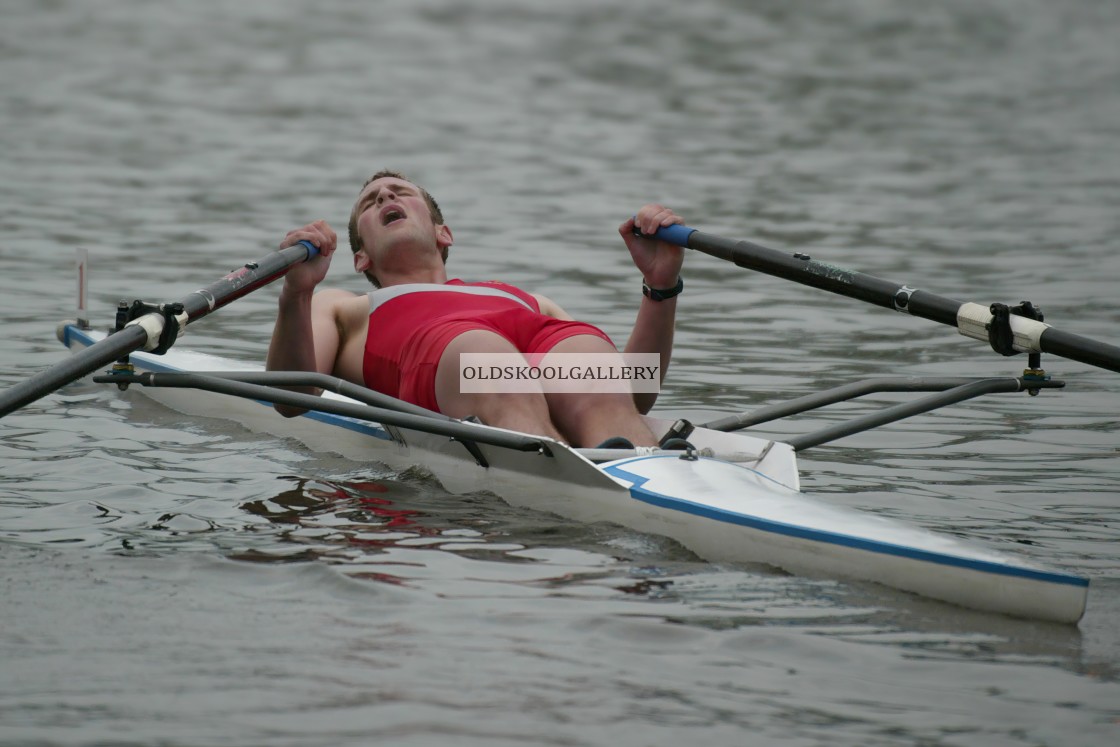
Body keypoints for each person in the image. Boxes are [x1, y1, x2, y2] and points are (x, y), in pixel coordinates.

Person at [266, 170, 685, 449]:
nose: (386, 195)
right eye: (370, 203)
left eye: (401, 192)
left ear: (442, 233)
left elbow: (636, 392)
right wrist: (296, 294)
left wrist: (660, 286)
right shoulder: (342, 305)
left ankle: (646, 472)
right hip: (465, 355)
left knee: (592, 363)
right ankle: (561, 471)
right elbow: (291, 397)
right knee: (485, 353)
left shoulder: (526, 299)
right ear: (361, 260)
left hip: (511, 349)